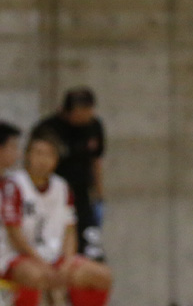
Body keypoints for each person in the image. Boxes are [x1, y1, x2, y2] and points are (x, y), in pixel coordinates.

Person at [0, 127, 112, 306]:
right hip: (17, 256)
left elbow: (70, 229)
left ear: (56, 160)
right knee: (35, 276)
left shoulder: (62, 187)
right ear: (27, 155)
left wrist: (67, 262)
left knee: (101, 276)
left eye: (49, 154)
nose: (43, 160)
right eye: (38, 153)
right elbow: (14, 233)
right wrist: (40, 262)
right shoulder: (14, 185)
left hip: (53, 257)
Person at [34, 88, 105, 260]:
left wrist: (99, 195)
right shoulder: (48, 129)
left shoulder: (93, 126)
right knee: (58, 243)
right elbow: (38, 165)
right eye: (84, 110)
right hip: (55, 195)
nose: (89, 115)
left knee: (89, 247)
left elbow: (96, 160)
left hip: (82, 194)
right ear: (72, 111)